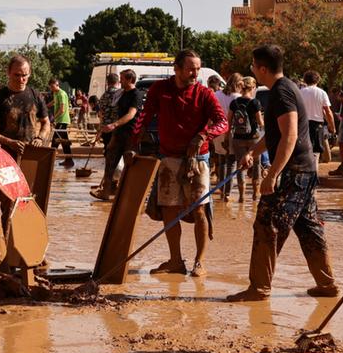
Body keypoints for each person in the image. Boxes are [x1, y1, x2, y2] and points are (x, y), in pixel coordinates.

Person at [229, 44, 338, 301]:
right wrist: (252, 153)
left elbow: (289, 136)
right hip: (303, 170)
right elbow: (275, 134)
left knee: (266, 225)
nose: (252, 70)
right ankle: (326, 284)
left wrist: (272, 175)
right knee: (309, 227)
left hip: (293, 172)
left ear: (262, 68)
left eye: (253, 66)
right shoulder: (285, 88)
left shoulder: (282, 92)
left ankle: (259, 288)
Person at [131, 50, 227, 278]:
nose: (195, 73)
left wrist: (203, 136)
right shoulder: (159, 90)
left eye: (197, 68)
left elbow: (223, 122)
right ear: (176, 69)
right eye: (190, 68)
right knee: (169, 210)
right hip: (168, 158)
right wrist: (133, 142)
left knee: (200, 210)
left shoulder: (205, 94)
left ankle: (199, 262)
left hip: (198, 160)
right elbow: (144, 116)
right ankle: (175, 261)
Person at [0, 55, 51, 162]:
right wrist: (9, 142)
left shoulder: (36, 96)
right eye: (17, 75)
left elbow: (46, 123)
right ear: (8, 73)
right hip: (7, 157)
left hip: (32, 156)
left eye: (24, 75)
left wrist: (40, 138)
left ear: (29, 74)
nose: (21, 79)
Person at [92, 69, 145, 202]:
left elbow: (131, 114)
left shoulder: (137, 94)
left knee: (130, 165)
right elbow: (114, 112)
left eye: (122, 79)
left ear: (129, 80)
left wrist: (114, 125)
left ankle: (129, 195)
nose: (119, 81)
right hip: (118, 133)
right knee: (110, 161)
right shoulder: (121, 93)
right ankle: (106, 192)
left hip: (131, 134)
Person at [225, 77, 265, 202]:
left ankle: (241, 196)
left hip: (238, 138)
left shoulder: (234, 102)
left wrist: (227, 137)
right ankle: (255, 195)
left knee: (240, 166)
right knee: (256, 165)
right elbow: (260, 122)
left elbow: (229, 121)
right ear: (252, 87)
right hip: (253, 138)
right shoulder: (255, 103)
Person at [212, 75, 242, 197]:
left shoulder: (217, 95)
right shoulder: (238, 98)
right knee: (231, 162)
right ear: (238, 84)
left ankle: (221, 189)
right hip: (233, 132)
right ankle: (227, 193)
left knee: (221, 161)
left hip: (218, 131)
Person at [299, 71, 335, 166]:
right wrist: (332, 126)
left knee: (304, 151)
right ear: (318, 80)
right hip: (317, 125)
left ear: (305, 80)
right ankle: (313, 175)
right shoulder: (322, 93)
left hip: (302, 125)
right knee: (315, 152)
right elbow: (328, 111)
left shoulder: (300, 92)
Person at [46, 78, 74, 168]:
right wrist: (45, 106)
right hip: (59, 120)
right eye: (50, 87)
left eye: (52, 86)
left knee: (55, 140)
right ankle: (69, 160)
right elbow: (54, 101)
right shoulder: (55, 93)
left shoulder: (62, 94)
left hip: (62, 120)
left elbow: (62, 110)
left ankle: (49, 160)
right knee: (64, 141)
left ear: (56, 84)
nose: (51, 88)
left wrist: (54, 118)